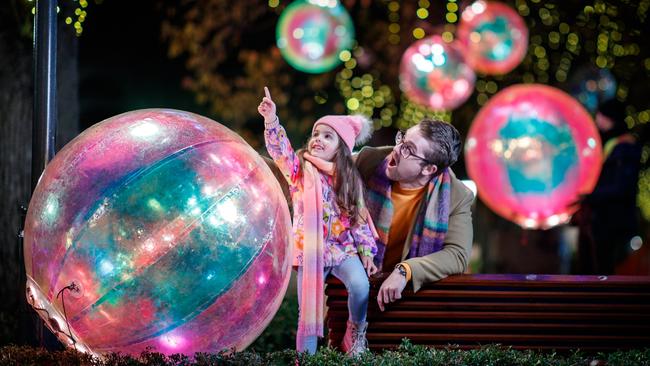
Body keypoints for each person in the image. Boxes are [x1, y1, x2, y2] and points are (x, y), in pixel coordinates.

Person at [258, 87, 378, 355]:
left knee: (361, 287)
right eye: (315, 134)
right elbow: (280, 151)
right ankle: (307, 359)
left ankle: (356, 333)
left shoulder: (348, 179)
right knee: (307, 312)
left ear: (342, 148)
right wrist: (271, 120)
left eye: (327, 136)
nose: (318, 140)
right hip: (310, 251)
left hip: (341, 249)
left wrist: (367, 252)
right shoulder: (300, 170)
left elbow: (358, 218)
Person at [354, 119, 474, 311]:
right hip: (354, 288)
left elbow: (457, 255)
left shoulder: (457, 196)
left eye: (408, 149)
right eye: (402, 138)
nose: (397, 148)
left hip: (403, 301)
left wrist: (406, 270)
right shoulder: (368, 161)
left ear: (428, 169)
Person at [575, 98, 642, 274]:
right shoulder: (611, 144)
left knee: (607, 271)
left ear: (607, 117)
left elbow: (620, 186)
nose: (596, 120)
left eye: (600, 115)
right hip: (603, 219)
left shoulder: (623, 146)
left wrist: (589, 195)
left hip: (611, 220)